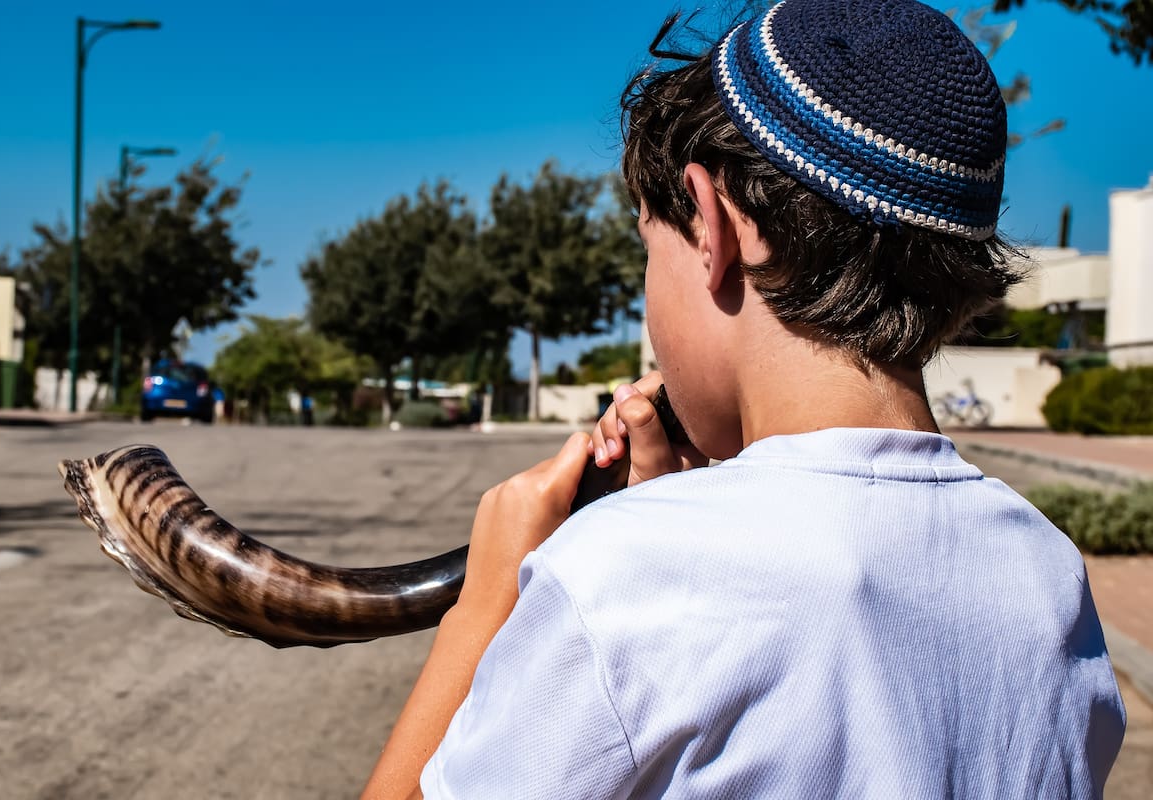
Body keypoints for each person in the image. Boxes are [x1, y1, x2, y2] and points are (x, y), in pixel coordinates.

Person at [363, 0, 1126, 796]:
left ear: (712, 224)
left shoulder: (623, 574)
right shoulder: (1047, 577)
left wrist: (484, 610)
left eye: (646, 248)